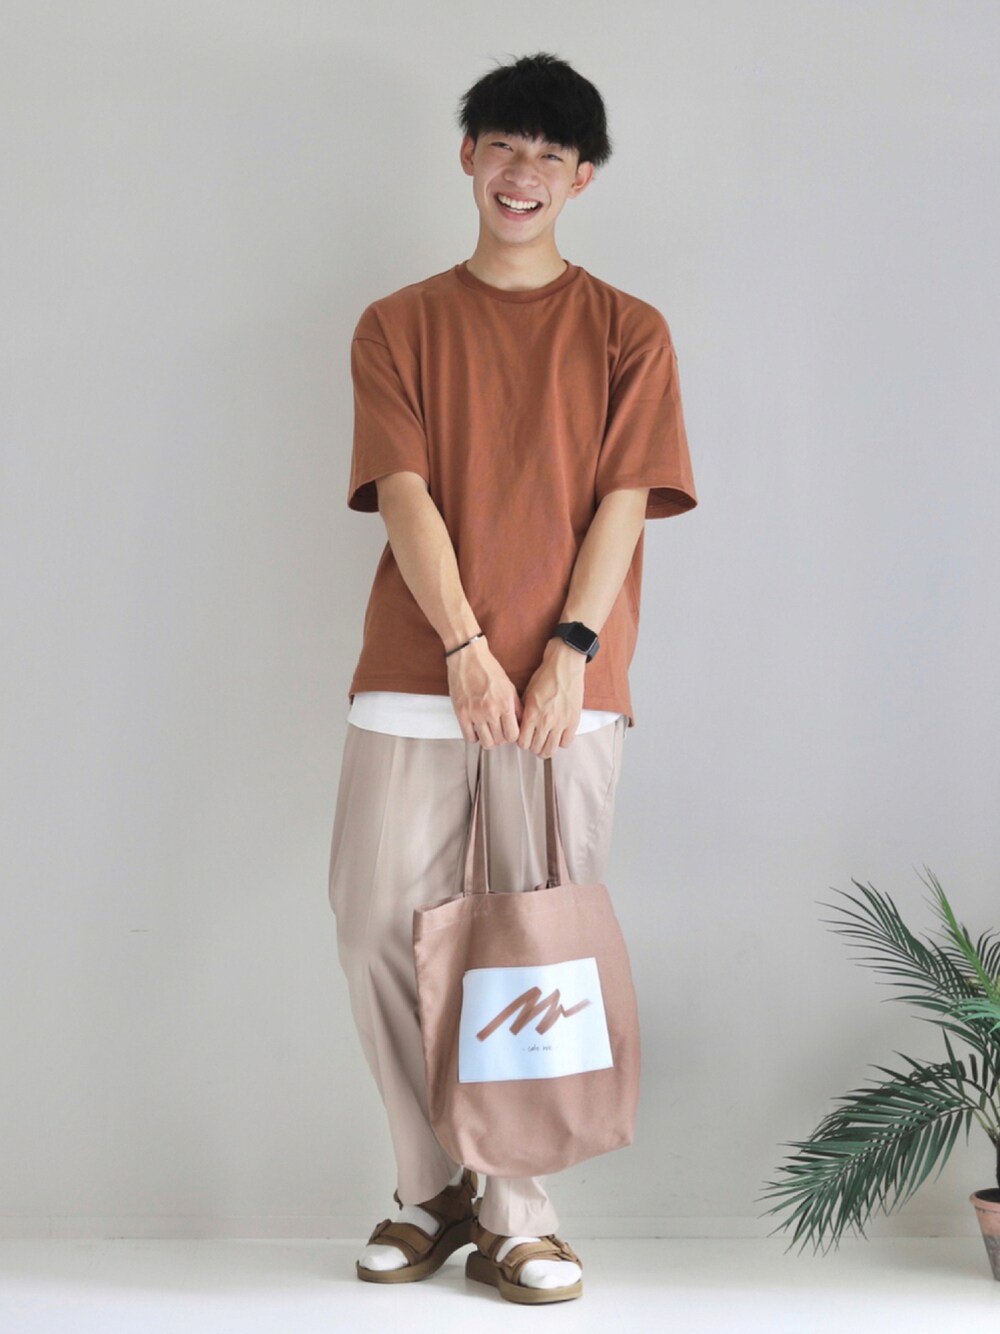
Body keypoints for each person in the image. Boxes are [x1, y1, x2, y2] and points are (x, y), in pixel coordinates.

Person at [327, 51, 697, 1305]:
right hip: (418, 666)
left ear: (581, 177)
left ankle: (518, 1211)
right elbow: (405, 494)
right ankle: (429, 1185)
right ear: (467, 157)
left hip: (566, 686)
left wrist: (566, 651)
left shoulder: (628, 330)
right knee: (375, 922)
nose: (521, 171)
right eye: (502, 145)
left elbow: (623, 501)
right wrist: (465, 648)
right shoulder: (398, 323)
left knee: (529, 943)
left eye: (549, 153)